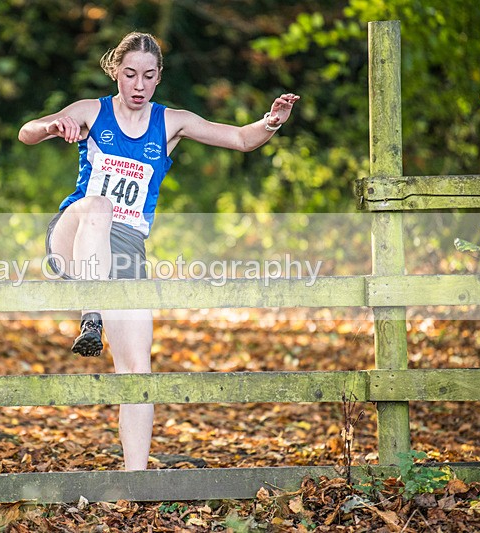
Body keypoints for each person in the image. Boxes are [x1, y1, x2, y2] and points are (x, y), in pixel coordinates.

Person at [18, 31, 299, 471]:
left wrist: (272, 121)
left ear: (159, 78)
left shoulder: (171, 122)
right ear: (116, 72)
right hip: (75, 236)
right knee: (98, 205)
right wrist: (54, 126)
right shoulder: (92, 111)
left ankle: (135, 480)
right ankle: (90, 315)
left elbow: (241, 140)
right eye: (130, 74)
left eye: (148, 76)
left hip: (126, 251)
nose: (138, 85)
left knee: (137, 372)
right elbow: (26, 132)